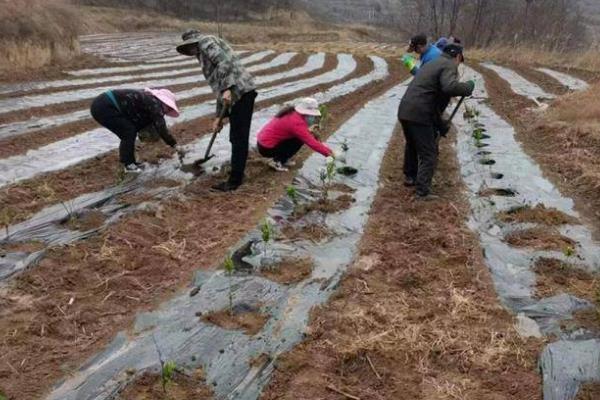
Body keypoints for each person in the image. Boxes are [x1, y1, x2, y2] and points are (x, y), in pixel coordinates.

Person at [176, 29, 257, 192]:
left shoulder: (206, 42)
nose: (190, 51)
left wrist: (228, 88)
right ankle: (237, 173)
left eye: (190, 47)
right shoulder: (202, 55)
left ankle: (235, 180)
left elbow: (224, 62)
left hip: (241, 93)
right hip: (237, 95)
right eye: (188, 49)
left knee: (238, 137)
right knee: (236, 137)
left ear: (194, 42)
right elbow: (219, 88)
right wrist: (218, 118)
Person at [397, 44, 475, 200]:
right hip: (420, 112)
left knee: (413, 145)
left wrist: (440, 124)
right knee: (429, 153)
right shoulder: (449, 65)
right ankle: (422, 192)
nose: (458, 64)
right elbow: (449, 87)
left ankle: (411, 177)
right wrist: (467, 87)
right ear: (458, 57)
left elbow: (432, 101)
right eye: (460, 61)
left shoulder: (433, 63)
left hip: (406, 109)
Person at [90, 88, 182, 173]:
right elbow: (161, 128)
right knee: (128, 132)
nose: (166, 112)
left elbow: (142, 122)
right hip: (105, 106)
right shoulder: (154, 103)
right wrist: (174, 144)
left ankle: (130, 162)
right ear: (163, 102)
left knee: (129, 131)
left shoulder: (149, 101)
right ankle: (129, 165)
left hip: (103, 105)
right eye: (169, 108)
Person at [256, 98, 339, 171]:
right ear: (306, 113)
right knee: (299, 140)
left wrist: (309, 131)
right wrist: (330, 154)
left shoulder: (293, 113)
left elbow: (298, 130)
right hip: (267, 148)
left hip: (263, 142)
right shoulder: (296, 123)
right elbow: (312, 142)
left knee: (299, 137)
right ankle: (277, 161)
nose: (313, 117)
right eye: (312, 115)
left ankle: (283, 159)